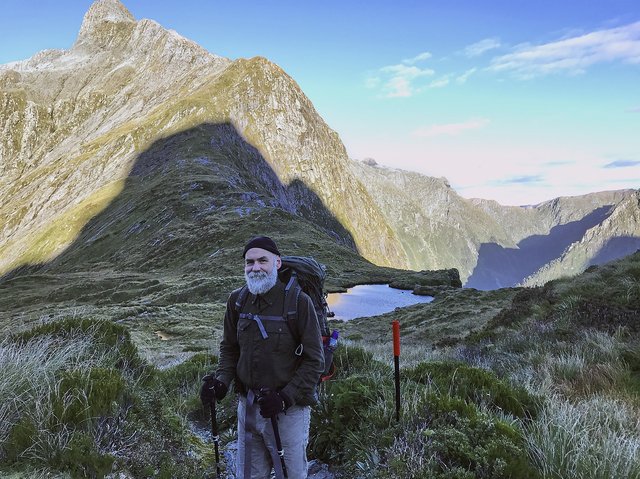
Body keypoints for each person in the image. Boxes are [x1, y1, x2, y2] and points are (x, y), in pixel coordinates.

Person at [200, 235, 325, 479]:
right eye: (249, 262)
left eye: (262, 261)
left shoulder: (299, 303)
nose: (255, 267)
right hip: (247, 408)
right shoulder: (237, 300)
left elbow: (314, 361)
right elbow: (230, 348)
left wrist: (284, 398)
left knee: (290, 475)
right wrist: (221, 382)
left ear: (277, 263)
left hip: (288, 413)